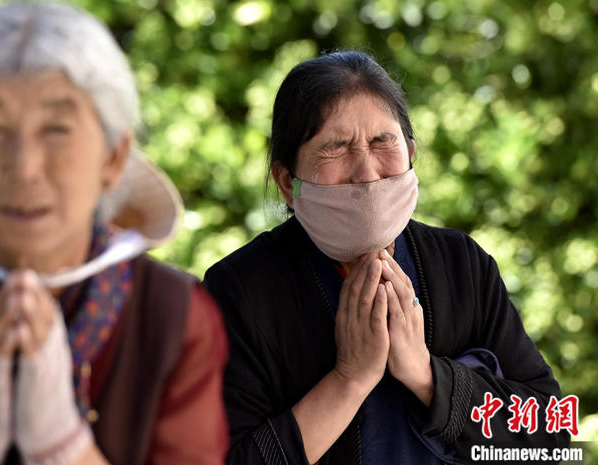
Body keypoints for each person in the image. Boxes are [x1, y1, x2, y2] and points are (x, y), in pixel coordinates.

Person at [0, 3, 228, 465]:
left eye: (57, 129)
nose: (25, 167)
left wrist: (62, 446)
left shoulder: (175, 319)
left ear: (113, 158)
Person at [203, 50, 569, 464]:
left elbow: (549, 438)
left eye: (382, 142)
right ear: (288, 182)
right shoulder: (239, 290)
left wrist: (425, 373)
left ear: (411, 153)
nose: (366, 172)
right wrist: (349, 379)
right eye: (336, 148)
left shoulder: (461, 265)